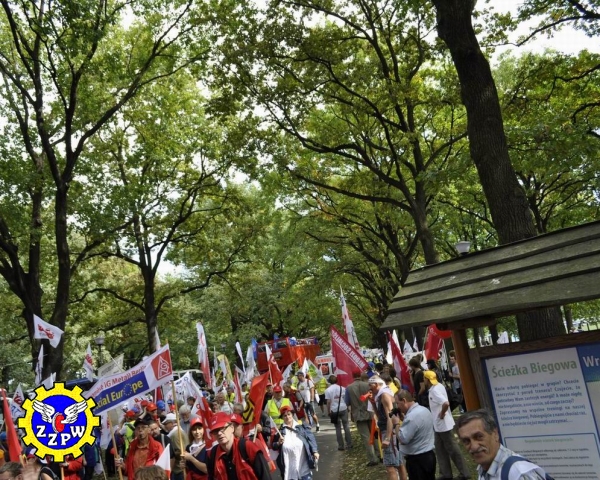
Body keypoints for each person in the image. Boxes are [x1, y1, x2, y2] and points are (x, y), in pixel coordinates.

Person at [456, 410, 550, 480]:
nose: (474, 446)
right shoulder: (484, 468)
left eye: (479, 436)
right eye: (466, 441)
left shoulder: (518, 473)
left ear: (495, 434)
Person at [424, 370, 470, 480]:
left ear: (427, 380)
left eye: (424, 379)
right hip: (439, 425)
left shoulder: (434, 390)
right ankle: (445, 474)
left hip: (443, 425)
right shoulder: (438, 386)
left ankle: (464, 473)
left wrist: (442, 414)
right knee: (440, 450)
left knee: (453, 449)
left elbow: (446, 403)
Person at [205, 412, 273, 480]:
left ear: (232, 428)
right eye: (215, 431)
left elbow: (265, 476)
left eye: (222, 428)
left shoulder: (248, 447)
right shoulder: (212, 454)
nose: (219, 433)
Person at [394, 390, 436, 480]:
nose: (397, 407)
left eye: (397, 403)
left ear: (404, 401)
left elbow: (403, 439)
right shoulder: (424, 410)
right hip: (429, 456)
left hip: (417, 461)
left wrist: (396, 424)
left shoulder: (412, 417)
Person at [367, 376, 401, 480]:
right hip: (387, 430)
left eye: (370, 385)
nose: (369, 388)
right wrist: (373, 403)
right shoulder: (380, 395)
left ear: (377, 384)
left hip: (389, 431)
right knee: (399, 464)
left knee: (390, 467)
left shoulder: (384, 395)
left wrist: (387, 438)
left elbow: (390, 417)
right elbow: (380, 416)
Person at [272, 405, 319, 480]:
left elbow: (311, 438)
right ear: (282, 418)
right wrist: (278, 443)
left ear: (292, 415)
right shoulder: (279, 431)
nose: (287, 417)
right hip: (289, 470)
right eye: (284, 416)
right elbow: (273, 446)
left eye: (289, 414)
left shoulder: (301, 427)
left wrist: (315, 451)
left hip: (304, 467)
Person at [345, 371, 378, 467]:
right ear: (360, 375)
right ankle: (379, 454)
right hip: (370, 412)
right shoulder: (368, 385)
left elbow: (347, 402)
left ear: (352, 376)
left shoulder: (349, 388)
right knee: (374, 434)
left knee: (366, 437)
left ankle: (372, 458)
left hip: (358, 414)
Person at [325, 375, 352, 451]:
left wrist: (328, 411)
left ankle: (341, 446)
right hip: (343, 408)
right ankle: (349, 444)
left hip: (334, 410)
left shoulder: (328, 390)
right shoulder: (342, 388)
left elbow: (328, 402)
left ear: (329, 381)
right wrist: (348, 407)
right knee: (346, 426)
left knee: (337, 428)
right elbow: (346, 399)